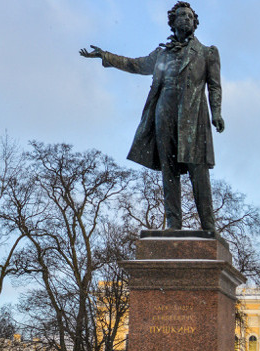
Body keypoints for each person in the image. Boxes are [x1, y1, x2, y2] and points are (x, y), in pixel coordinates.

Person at [80, 2, 224, 232]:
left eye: (190, 16)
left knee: (198, 170)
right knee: (169, 169)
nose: (186, 19)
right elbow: (135, 65)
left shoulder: (208, 53)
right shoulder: (161, 54)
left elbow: (214, 86)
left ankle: (208, 226)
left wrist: (216, 112)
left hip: (193, 116)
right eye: (182, 15)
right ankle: (173, 224)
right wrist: (105, 56)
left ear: (195, 23)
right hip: (163, 113)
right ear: (173, 21)